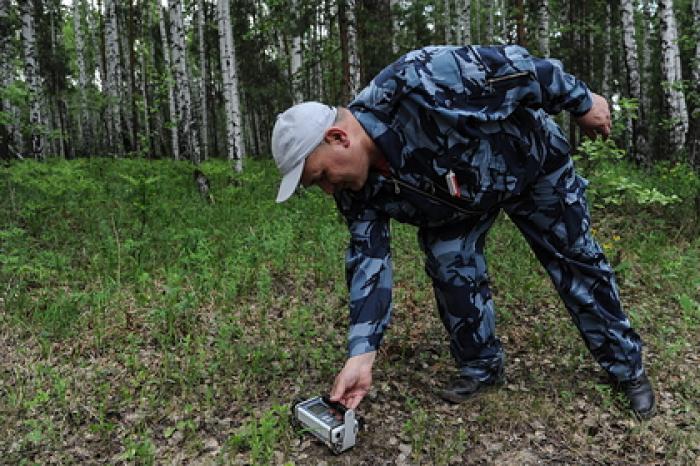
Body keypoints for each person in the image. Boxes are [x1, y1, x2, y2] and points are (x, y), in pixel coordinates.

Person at [271, 45, 655, 419]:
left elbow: (517, 68)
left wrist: (581, 101)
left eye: (321, 175)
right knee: (450, 262)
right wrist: (361, 354)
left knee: (575, 261)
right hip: (455, 204)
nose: (327, 189)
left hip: (531, 165)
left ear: (339, 138)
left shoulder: (418, 79)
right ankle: (482, 369)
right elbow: (368, 261)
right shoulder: (355, 189)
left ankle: (627, 369)